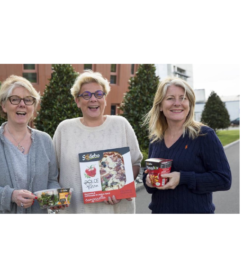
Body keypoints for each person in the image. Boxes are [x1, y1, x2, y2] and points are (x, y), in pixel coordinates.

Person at [53, 70, 143, 213]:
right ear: (77, 101)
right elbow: (54, 172)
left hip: (115, 211)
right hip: (76, 211)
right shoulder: (64, 129)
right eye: (86, 95)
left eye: (98, 94)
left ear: (105, 99)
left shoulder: (121, 125)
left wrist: (121, 190)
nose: (93, 99)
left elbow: (135, 163)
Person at [0, 75, 60, 213]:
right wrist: (11, 195)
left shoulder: (45, 140)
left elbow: (52, 180)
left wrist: (54, 197)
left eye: (28, 100)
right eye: (15, 99)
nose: (22, 104)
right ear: (3, 105)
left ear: (33, 107)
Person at [142, 77, 231, 213]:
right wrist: (148, 180)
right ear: (160, 105)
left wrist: (182, 178)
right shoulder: (156, 138)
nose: (177, 103)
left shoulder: (204, 135)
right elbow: (150, 180)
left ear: (189, 104)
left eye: (183, 98)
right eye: (170, 98)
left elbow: (224, 180)